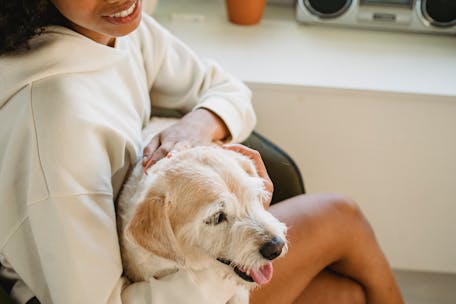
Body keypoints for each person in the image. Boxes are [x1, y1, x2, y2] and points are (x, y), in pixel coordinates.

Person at [0, 0, 404, 303]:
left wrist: (199, 126)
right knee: (340, 216)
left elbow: (226, 88)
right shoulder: (55, 119)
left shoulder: (116, 30)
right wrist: (226, 268)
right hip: (126, 291)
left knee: (346, 295)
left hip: (162, 265)